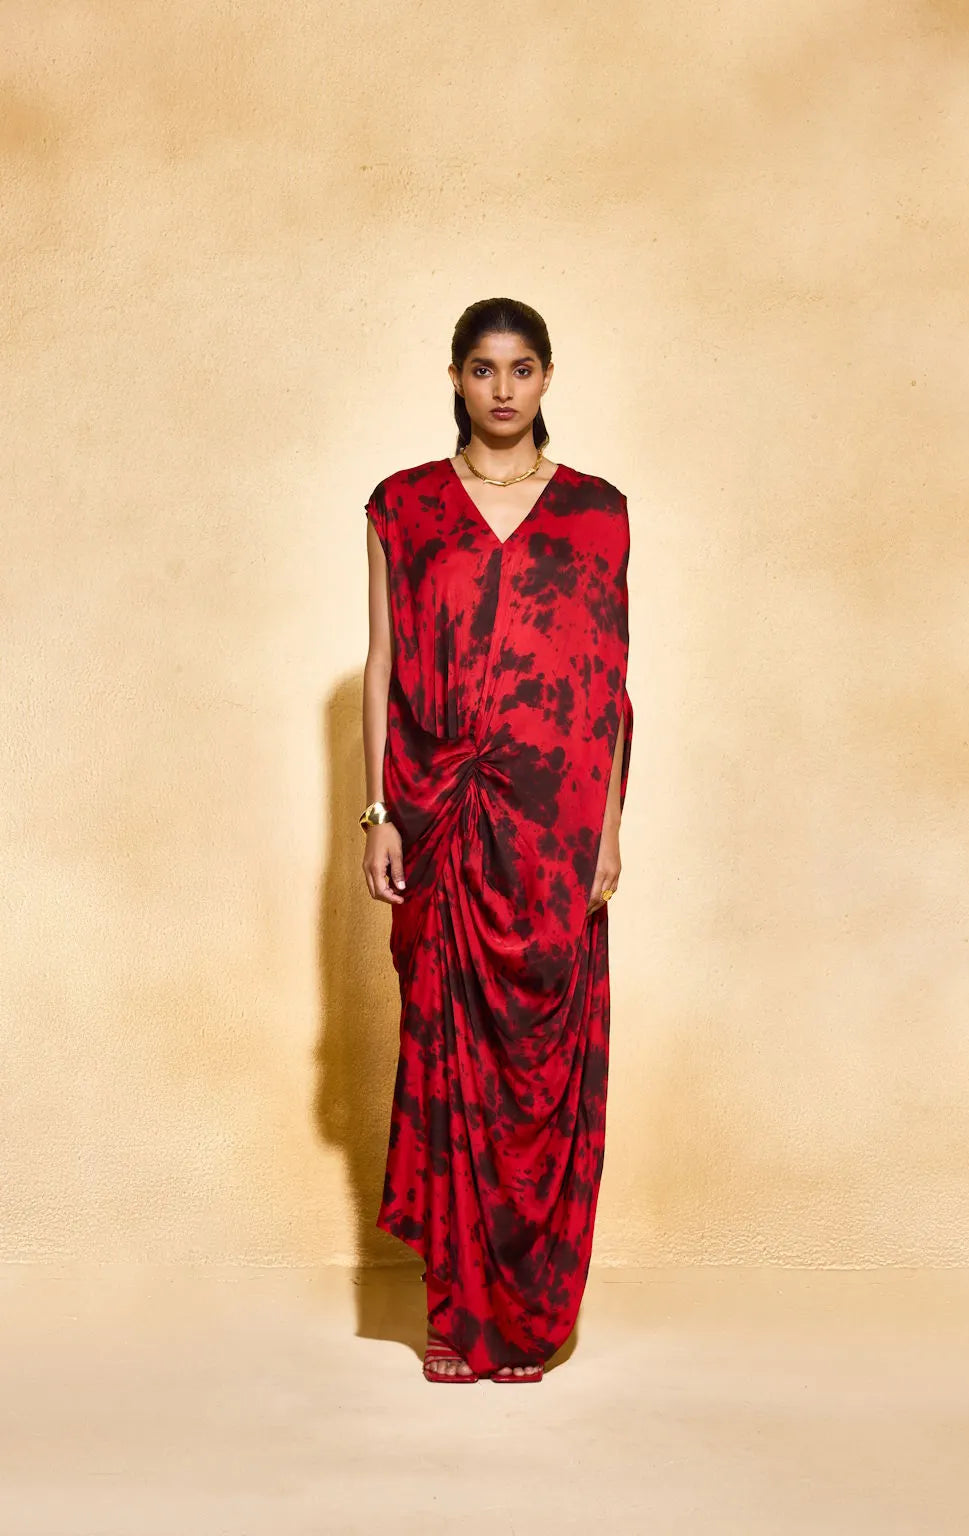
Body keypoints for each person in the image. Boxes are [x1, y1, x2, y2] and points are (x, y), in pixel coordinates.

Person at [360, 296, 634, 1384]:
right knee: (447, 1060)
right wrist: (378, 815)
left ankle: (528, 1319)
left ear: (548, 377)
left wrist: (607, 830)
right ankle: (454, 1318)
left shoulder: (598, 513)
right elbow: (383, 667)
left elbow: (611, 687)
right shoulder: (402, 506)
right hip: (442, 818)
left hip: (555, 827)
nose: (504, 388)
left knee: (539, 1067)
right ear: (456, 378)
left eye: (522, 369)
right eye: (484, 368)